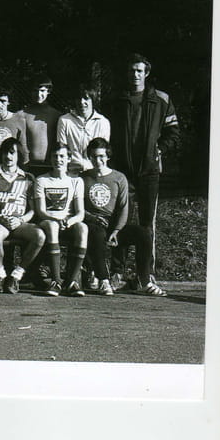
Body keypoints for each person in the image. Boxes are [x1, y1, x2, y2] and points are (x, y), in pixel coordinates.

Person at [105, 52, 180, 285]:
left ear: (146, 73)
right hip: (122, 170)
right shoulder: (117, 99)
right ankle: (117, 272)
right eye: (131, 70)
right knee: (120, 219)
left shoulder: (161, 99)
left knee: (147, 223)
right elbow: (106, 131)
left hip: (149, 170)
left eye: (139, 70)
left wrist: (159, 149)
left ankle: (145, 274)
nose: (135, 75)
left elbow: (173, 131)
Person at [82, 137, 165, 296]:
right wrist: (91, 218)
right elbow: (77, 207)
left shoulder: (119, 178)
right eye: (94, 156)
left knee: (144, 234)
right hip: (93, 224)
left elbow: (123, 207)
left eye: (101, 156)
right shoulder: (83, 178)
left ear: (108, 156)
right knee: (96, 234)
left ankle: (144, 281)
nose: (98, 161)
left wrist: (117, 230)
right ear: (89, 157)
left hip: (113, 225)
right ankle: (103, 280)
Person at [0, 137, 46, 294]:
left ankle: (16, 276)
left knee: (39, 236)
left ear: (19, 156)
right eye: (5, 152)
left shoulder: (28, 178)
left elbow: (33, 210)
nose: (8, 156)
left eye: (13, 153)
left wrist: (20, 220)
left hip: (19, 222)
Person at [33, 143, 88, 297]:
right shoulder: (42, 180)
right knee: (52, 226)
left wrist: (69, 221)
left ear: (69, 158)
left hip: (67, 223)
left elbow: (80, 213)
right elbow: (41, 211)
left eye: (62, 156)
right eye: (55, 156)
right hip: (47, 222)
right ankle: (56, 281)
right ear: (50, 159)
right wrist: (55, 220)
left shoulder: (76, 181)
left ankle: (71, 281)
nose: (58, 160)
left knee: (83, 228)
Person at [55, 83, 111, 175]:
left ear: (93, 100)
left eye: (86, 98)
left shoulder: (103, 122)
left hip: (94, 172)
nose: (81, 102)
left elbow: (102, 152)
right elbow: (62, 149)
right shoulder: (64, 120)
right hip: (71, 172)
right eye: (78, 99)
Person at [20, 76, 60, 176]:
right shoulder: (22, 114)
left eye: (42, 91)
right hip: (29, 166)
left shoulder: (56, 115)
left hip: (51, 166)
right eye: (35, 91)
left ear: (48, 91)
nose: (38, 94)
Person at [0, 87, 29, 169]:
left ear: (8, 102)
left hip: (11, 168)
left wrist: (24, 167)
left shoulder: (18, 120)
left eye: (3, 101)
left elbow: (23, 147)